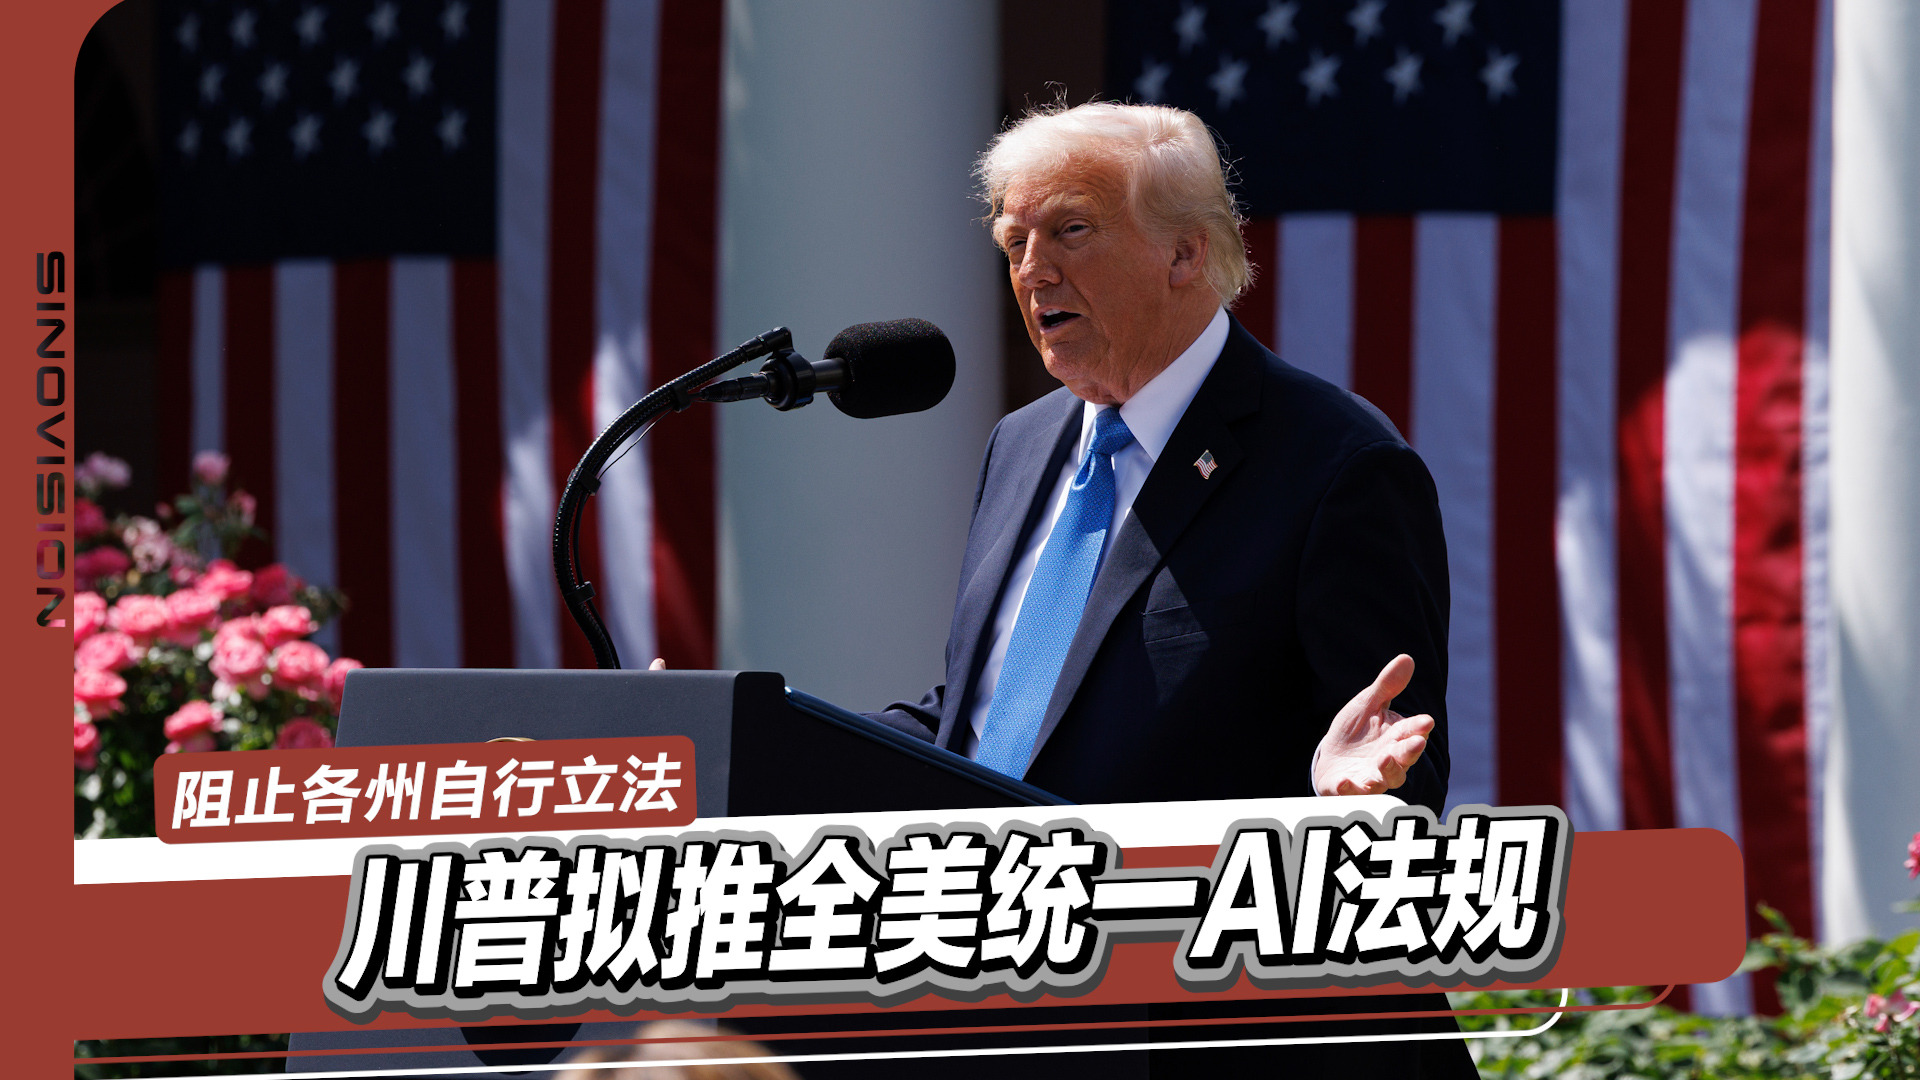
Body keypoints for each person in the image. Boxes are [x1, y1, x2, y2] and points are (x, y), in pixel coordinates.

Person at [873, 101, 1450, 817]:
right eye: (1015, 241)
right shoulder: (1018, 443)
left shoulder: (1340, 465)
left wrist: (1348, 792)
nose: (1033, 271)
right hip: (988, 883)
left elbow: (1396, 757)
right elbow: (992, 719)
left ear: (1185, 253)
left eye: (1071, 230)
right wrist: (777, 738)